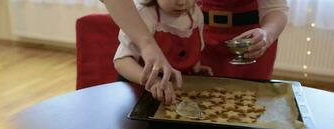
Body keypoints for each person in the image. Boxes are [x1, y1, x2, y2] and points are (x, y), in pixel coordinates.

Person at [103, 0, 289, 103]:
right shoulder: (146, 16)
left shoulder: (195, 18)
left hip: (250, 40)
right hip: (144, 98)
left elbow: (276, 8)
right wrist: (147, 47)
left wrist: (267, 34)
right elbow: (122, 59)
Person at [114, 0, 212, 104]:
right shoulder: (144, 14)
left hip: (175, 97)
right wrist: (152, 81)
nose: (182, 2)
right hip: (138, 94)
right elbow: (121, 62)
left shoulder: (195, 14)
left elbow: (191, 51)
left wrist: (196, 68)